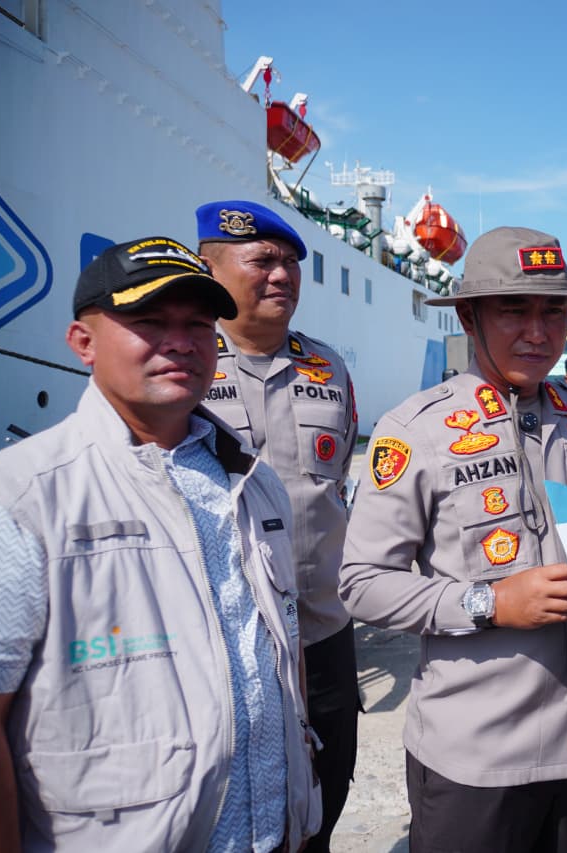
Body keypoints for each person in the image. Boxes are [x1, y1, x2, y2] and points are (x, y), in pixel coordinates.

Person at [0, 238, 320, 851]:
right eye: (148, 321)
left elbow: (279, 643)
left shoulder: (255, 481)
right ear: (82, 343)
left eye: (197, 323)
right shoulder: (16, 500)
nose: (181, 341)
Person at [338, 226, 567, 852]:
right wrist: (489, 603)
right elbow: (361, 585)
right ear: (469, 316)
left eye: (554, 311)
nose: (539, 331)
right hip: (477, 761)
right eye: (514, 308)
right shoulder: (414, 430)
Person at [195, 199, 360, 851]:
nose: (282, 274)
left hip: (322, 628)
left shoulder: (330, 368)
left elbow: (337, 480)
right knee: (232, 801)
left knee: (331, 779)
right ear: (211, 268)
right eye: (262, 259)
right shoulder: (182, 361)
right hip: (223, 637)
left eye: (292, 262)